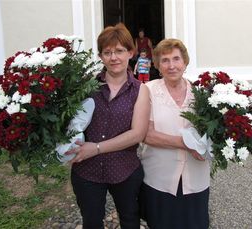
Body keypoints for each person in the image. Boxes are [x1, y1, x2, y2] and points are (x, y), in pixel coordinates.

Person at [65, 23, 150, 229]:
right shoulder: (86, 86)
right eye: (108, 52)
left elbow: (137, 133)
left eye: (120, 51)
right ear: (101, 56)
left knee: (130, 220)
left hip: (125, 170)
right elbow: (69, 121)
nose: (114, 57)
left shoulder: (140, 90)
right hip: (86, 170)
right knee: (91, 222)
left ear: (131, 52)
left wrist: (96, 148)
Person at [139, 38, 210, 229]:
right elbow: (147, 134)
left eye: (176, 59)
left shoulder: (201, 93)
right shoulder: (148, 90)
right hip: (159, 178)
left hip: (196, 177)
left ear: (185, 62)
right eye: (165, 60)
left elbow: (211, 131)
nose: (171, 66)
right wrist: (187, 143)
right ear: (157, 66)